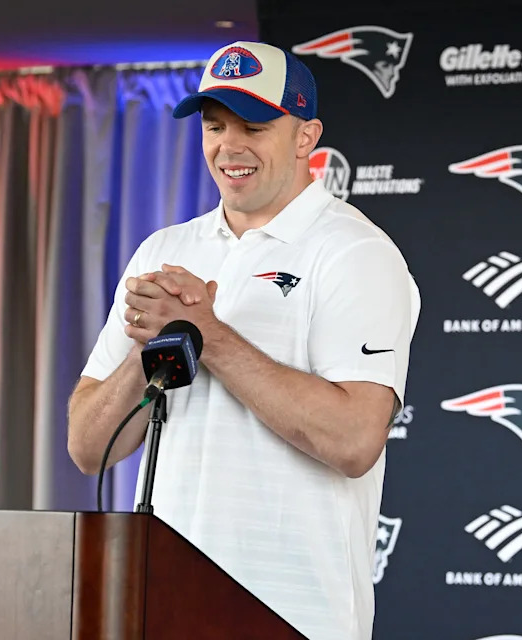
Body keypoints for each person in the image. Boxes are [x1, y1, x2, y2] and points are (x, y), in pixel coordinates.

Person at [67, 40, 421, 640]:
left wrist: (208, 335)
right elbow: (88, 446)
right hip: (165, 602)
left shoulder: (354, 253)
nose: (228, 147)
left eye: (253, 127)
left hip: (293, 613)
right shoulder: (163, 250)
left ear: (306, 137)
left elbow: (356, 440)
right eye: (213, 126)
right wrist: (147, 347)